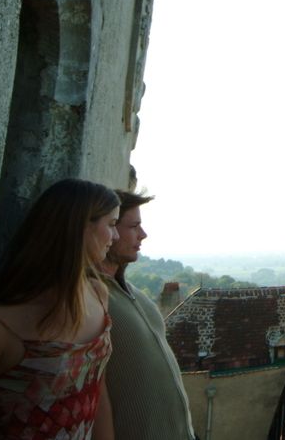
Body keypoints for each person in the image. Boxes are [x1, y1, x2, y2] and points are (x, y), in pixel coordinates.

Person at [0, 178, 120, 440]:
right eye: (111, 225)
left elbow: (98, 393)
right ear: (78, 226)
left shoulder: (99, 294)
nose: (116, 236)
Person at [100, 188, 195, 440]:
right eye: (134, 226)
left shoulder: (132, 292)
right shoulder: (88, 296)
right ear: (107, 230)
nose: (143, 234)